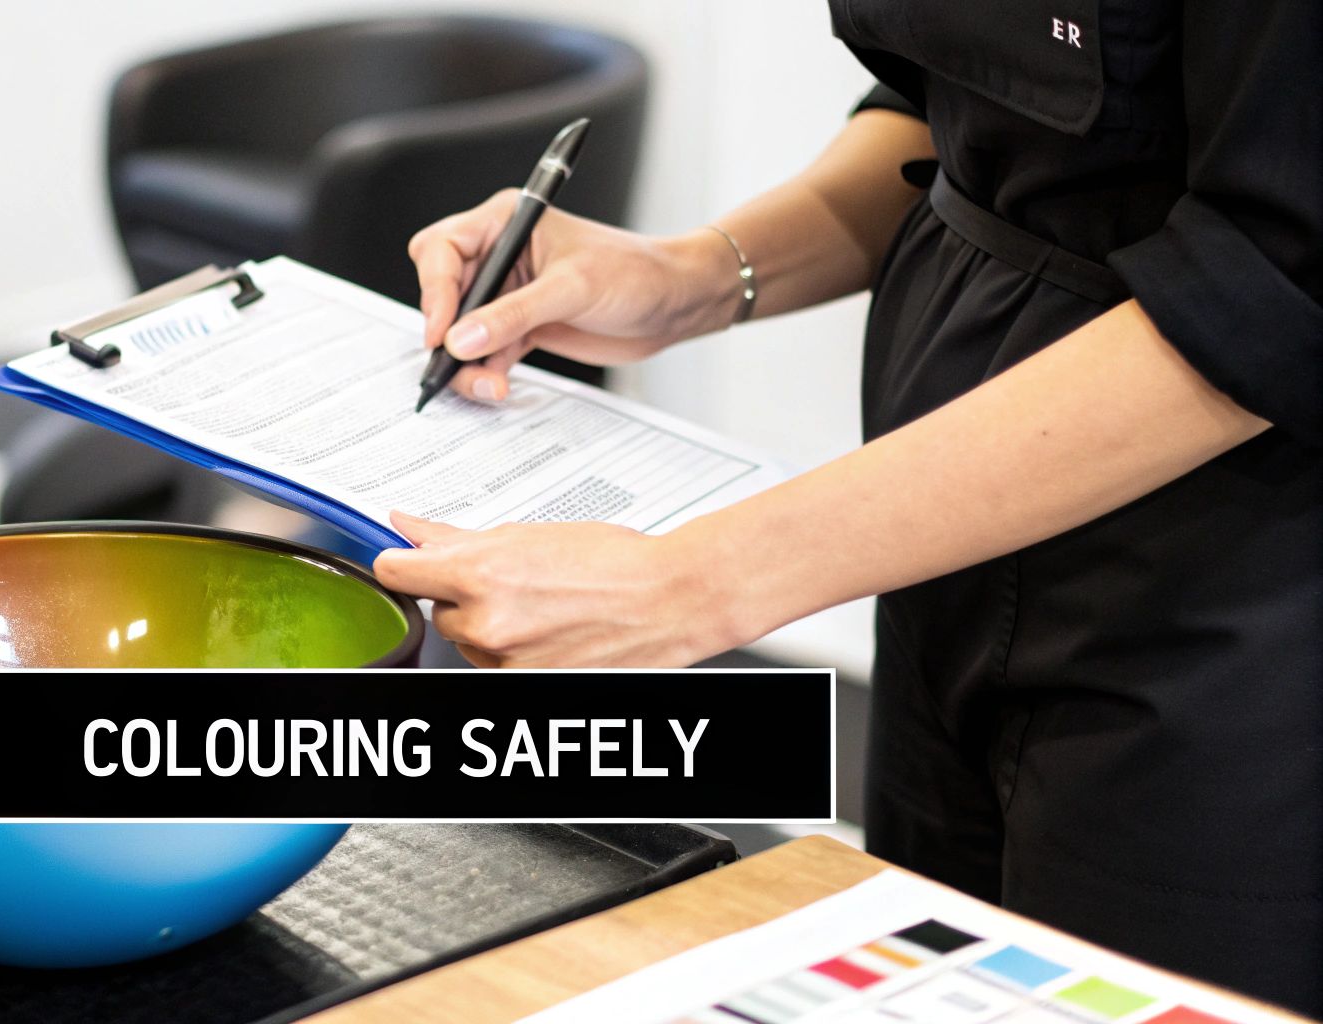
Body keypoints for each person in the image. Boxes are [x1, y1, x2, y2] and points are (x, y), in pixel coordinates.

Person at [373, 1, 1320, 1012]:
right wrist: (692, 275)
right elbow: (959, 108)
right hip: (931, 545)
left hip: (1221, 602)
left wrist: (697, 583)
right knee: (935, 972)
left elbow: (1276, 281)